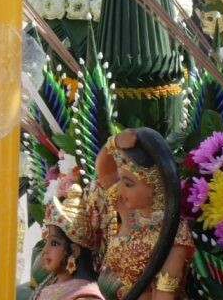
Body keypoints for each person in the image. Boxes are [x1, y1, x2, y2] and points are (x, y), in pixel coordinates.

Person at [69, 128, 193, 300]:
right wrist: (114, 142)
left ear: (155, 188)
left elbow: (164, 295)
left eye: (128, 184)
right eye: (120, 180)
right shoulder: (129, 213)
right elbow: (103, 169)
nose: (119, 188)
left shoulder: (175, 235)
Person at [32, 184, 104, 300]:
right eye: (46, 241)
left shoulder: (86, 296)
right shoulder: (50, 284)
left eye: (54, 243)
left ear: (74, 251)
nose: (45, 250)